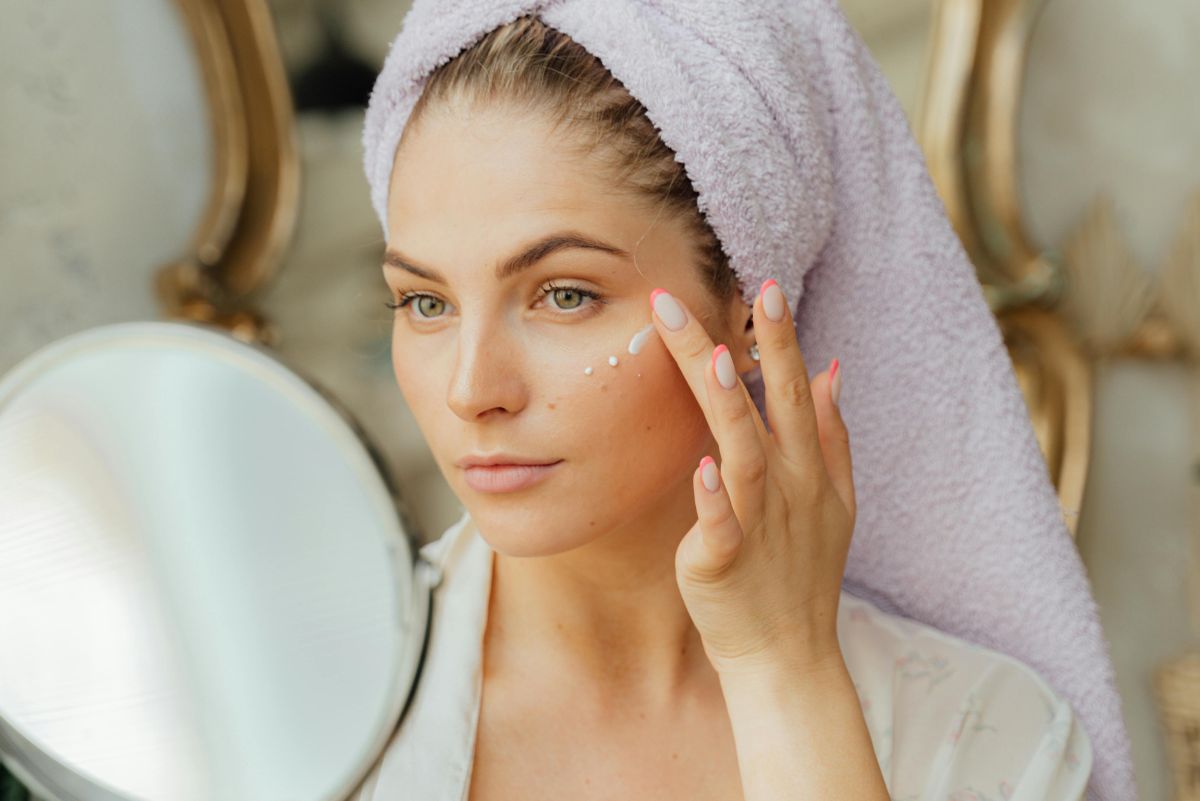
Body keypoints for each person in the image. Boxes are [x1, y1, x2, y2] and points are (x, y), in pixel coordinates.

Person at [353, 11, 1099, 800]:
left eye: (564, 294)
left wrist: (786, 669)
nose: (472, 390)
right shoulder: (296, 694)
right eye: (424, 302)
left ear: (747, 310)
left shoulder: (988, 736)